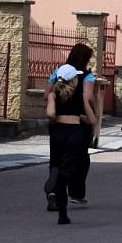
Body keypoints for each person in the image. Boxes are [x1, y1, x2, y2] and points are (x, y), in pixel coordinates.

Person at [44, 43, 97, 207]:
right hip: (77, 123)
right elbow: (87, 97)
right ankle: (76, 192)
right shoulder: (87, 76)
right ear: (85, 58)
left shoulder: (58, 72)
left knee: (57, 157)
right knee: (79, 158)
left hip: (57, 124)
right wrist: (95, 106)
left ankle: (54, 188)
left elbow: (46, 94)